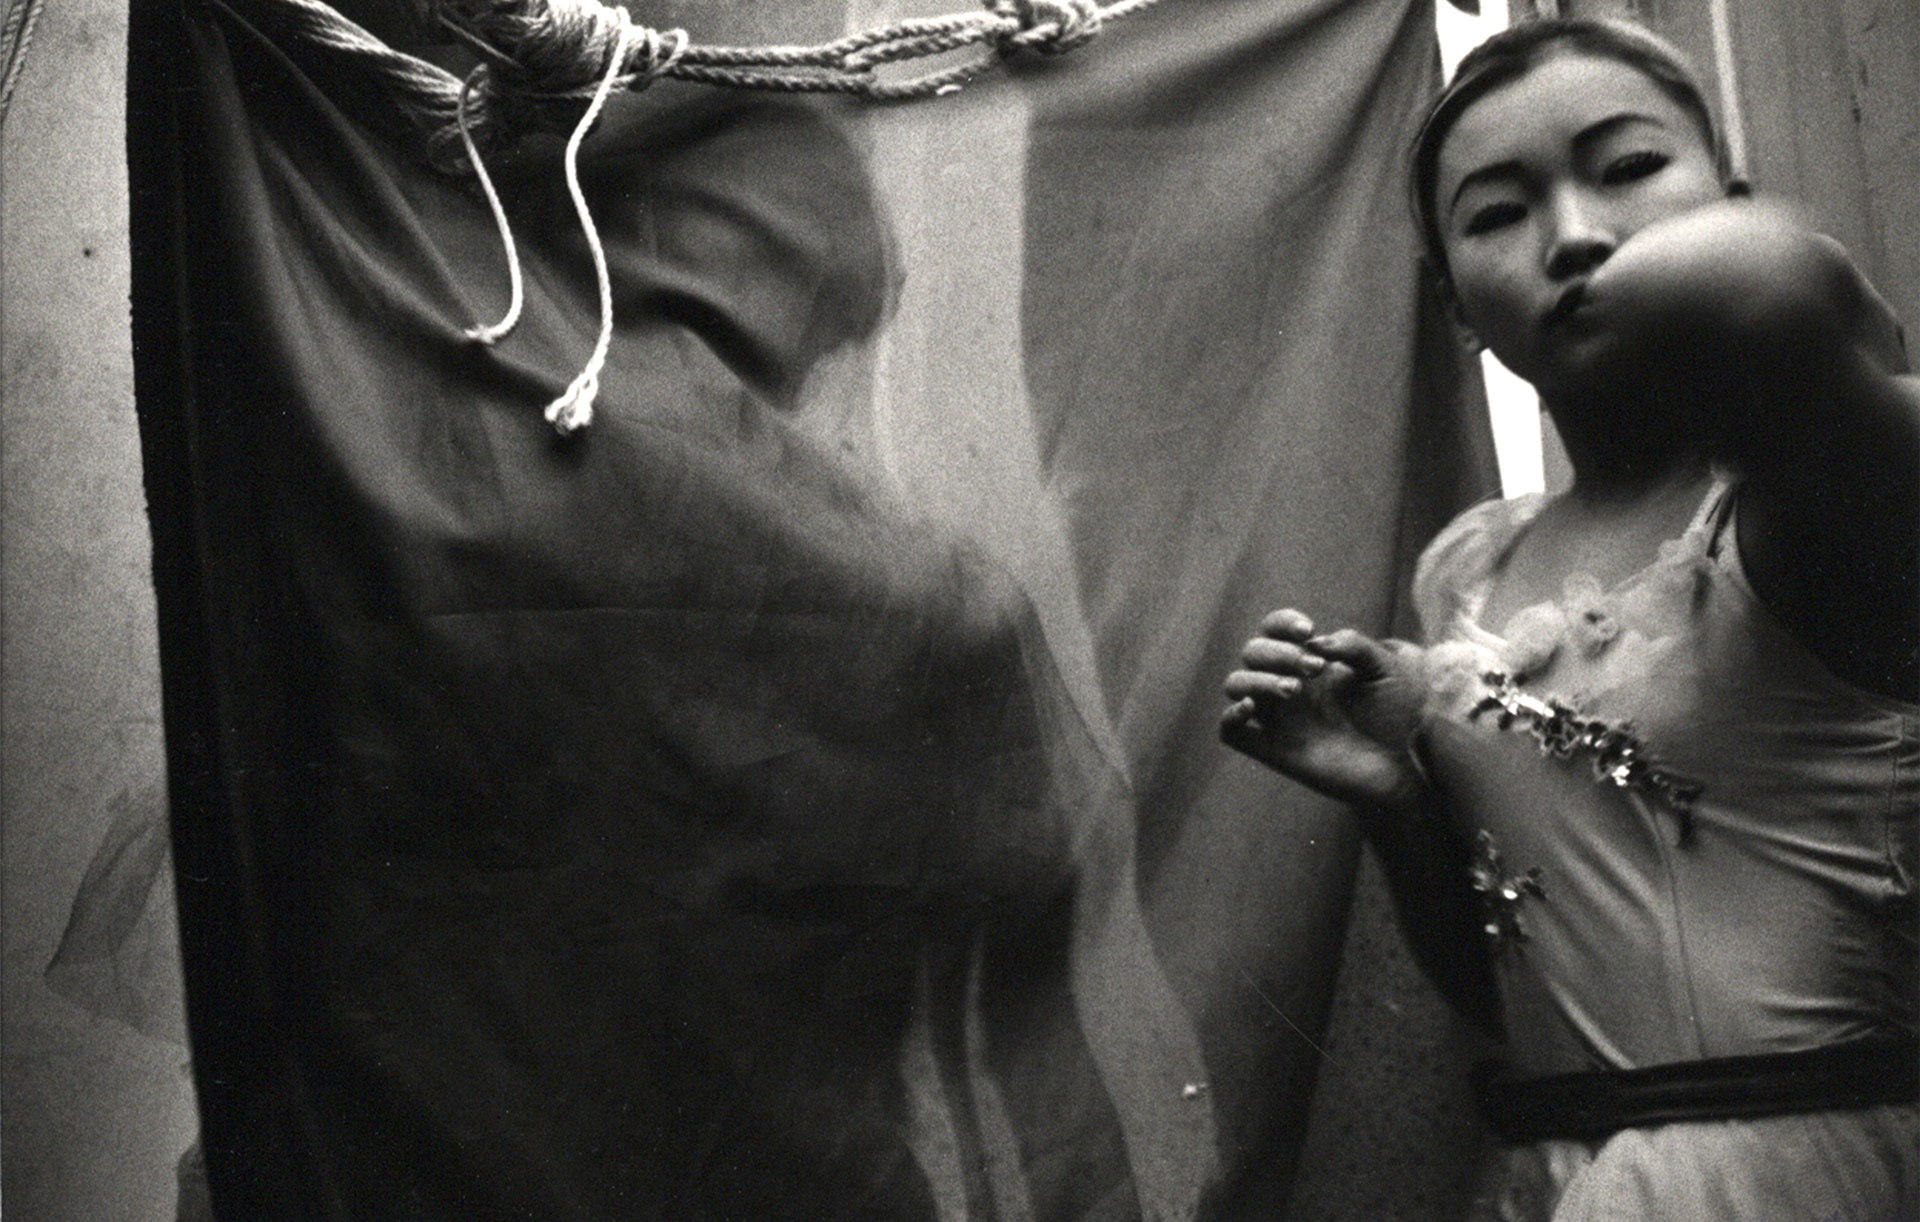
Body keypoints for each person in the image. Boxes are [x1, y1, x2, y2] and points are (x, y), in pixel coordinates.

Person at [1221, 16, 1918, 1221]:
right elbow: (1509, 998)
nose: (1577, 234)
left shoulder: (1803, 508)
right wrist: (1392, 795)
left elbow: (1781, 322)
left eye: (1630, 166)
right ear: (1453, 305)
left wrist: (1739, 288)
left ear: (1733, 199)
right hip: (1557, 1182)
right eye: (1498, 213)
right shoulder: (1470, 569)